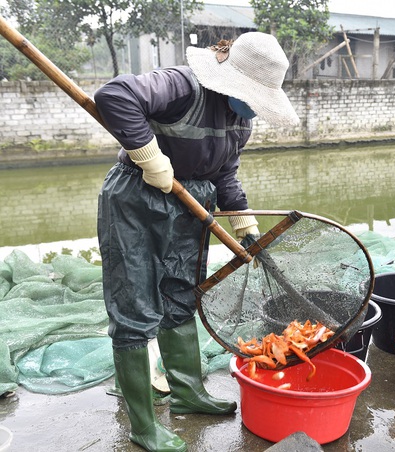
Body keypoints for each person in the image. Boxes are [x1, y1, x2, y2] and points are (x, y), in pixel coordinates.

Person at [94, 32, 299, 452]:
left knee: (182, 295)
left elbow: (225, 174)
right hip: (138, 199)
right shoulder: (182, 85)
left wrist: (245, 224)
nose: (252, 107)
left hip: (191, 207)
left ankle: (188, 394)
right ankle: (144, 426)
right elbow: (113, 95)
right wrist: (149, 155)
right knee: (134, 306)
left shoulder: (242, 120)